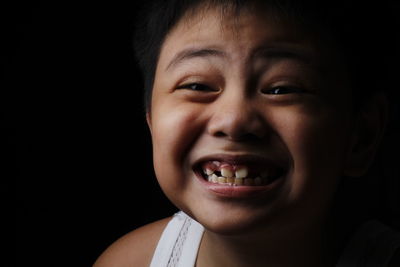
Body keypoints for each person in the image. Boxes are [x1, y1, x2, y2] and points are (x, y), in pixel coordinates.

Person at [94, 0, 400, 266]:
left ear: (362, 135)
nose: (234, 121)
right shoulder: (132, 261)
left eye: (282, 89)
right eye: (196, 86)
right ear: (151, 122)